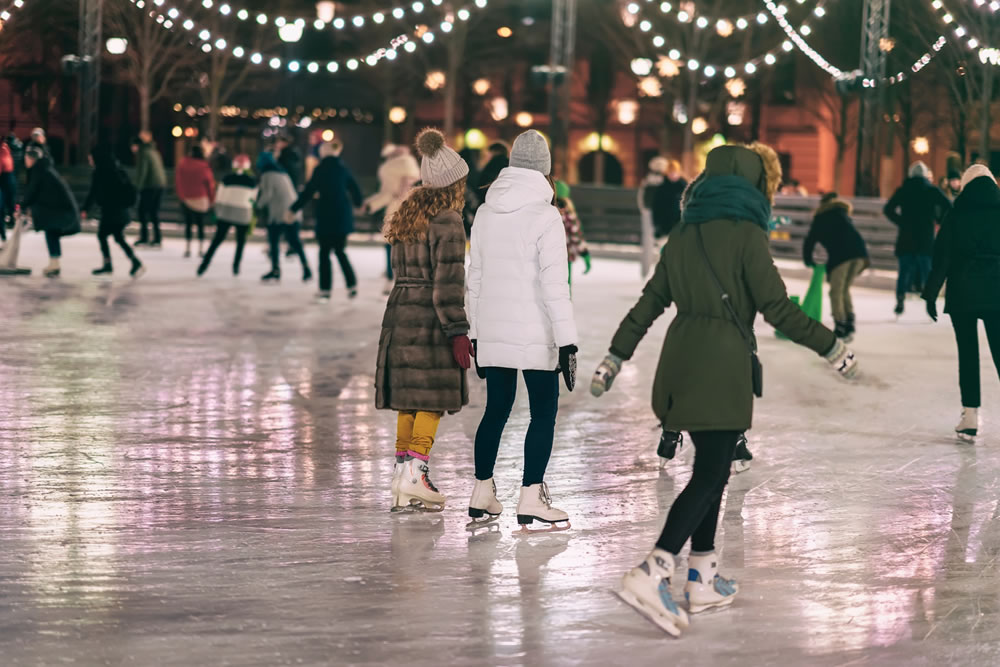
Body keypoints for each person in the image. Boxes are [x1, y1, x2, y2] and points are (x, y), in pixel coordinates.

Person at [590, 143, 859, 637]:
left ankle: (702, 576)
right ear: (753, 185)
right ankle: (653, 570)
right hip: (722, 367)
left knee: (711, 467)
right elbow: (778, 308)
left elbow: (649, 303)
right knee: (711, 474)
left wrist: (615, 355)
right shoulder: (747, 235)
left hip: (680, 365)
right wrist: (831, 346)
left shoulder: (683, 233)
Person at [466, 130, 579, 530]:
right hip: (537, 334)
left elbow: (473, 279)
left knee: (495, 409)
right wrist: (567, 342)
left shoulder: (484, 212)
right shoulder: (546, 215)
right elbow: (555, 285)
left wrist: (476, 335)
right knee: (543, 413)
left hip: (494, 330)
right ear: (546, 171)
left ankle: (482, 491)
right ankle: (531, 496)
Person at [376, 128, 472, 512]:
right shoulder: (448, 221)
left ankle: (402, 476)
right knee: (431, 399)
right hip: (430, 318)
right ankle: (416, 473)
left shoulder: (408, 213)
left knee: (408, 401)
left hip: (401, 313)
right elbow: (448, 284)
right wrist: (457, 330)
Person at [923, 164, 1000, 443]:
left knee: (968, 354)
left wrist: (931, 293)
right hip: (997, 293)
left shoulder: (956, 214)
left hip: (963, 293)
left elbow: (941, 256)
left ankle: (969, 417)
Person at [290, 140, 362, 301]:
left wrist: (294, 209)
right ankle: (352, 285)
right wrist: (358, 203)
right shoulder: (343, 169)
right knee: (340, 251)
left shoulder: (320, 170)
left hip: (325, 216)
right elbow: (355, 188)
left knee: (324, 254)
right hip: (342, 216)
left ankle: (325, 289)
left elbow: (308, 191)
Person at [884, 161, 951, 316]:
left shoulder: (903, 190)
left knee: (904, 271)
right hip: (925, 237)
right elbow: (948, 205)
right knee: (927, 271)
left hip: (906, 237)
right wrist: (938, 219)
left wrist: (901, 221)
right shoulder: (932, 190)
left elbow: (888, 209)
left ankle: (900, 299)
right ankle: (929, 303)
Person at [803, 192, 870, 340]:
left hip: (842, 257)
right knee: (844, 289)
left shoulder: (821, 217)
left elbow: (810, 240)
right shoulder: (842, 213)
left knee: (836, 292)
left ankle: (841, 326)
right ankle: (849, 322)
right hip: (860, 255)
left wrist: (808, 260)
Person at [364, 144, 421, 295]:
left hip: (404, 211)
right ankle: (395, 279)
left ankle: (395, 280)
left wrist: (371, 205)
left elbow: (406, 181)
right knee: (397, 246)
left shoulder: (401, 166)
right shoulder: (397, 168)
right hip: (399, 210)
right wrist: (372, 204)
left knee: (397, 246)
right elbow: (387, 193)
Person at [81, 145, 144, 278]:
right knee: (118, 238)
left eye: (91, 157)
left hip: (111, 212)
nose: (89, 160)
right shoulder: (117, 168)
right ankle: (134, 261)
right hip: (121, 211)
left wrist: (85, 209)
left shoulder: (100, 172)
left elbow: (92, 193)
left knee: (103, 236)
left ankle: (109, 264)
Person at [21, 145, 80, 277]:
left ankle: (54, 264)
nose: (25, 161)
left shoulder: (39, 171)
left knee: (51, 232)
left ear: (31, 159)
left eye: (26, 158)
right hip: (58, 209)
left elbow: (32, 191)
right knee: (51, 232)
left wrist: (23, 206)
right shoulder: (44, 169)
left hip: (59, 210)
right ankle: (54, 263)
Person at [257, 150, 311, 282]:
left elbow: (267, 195)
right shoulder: (282, 172)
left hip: (279, 214)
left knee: (274, 241)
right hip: (293, 211)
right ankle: (306, 268)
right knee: (294, 241)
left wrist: (256, 205)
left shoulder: (267, 174)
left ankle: (275, 269)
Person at [198, 154, 257, 277]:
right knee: (240, 242)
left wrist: (218, 211)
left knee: (217, 240)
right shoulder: (252, 181)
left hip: (226, 212)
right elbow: (254, 199)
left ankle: (204, 264)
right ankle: (236, 266)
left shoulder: (226, 179)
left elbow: (219, 197)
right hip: (243, 213)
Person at [175, 145, 216, 258]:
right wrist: (212, 199)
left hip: (187, 198)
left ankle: (188, 248)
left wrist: (181, 196)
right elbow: (210, 185)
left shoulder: (183, 163)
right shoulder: (204, 166)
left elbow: (178, 181)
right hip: (201, 198)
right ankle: (201, 249)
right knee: (200, 224)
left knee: (188, 224)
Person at [132, 132, 167, 247]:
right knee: (153, 212)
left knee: (142, 211)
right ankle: (157, 238)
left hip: (150, 186)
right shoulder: (153, 151)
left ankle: (145, 237)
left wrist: (137, 187)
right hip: (159, 185)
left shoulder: (143, 153)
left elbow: (143, 172)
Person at [555, 180, 591, 285]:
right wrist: (585, 254)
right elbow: (576, 237)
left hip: (548, 255)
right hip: (565, 256)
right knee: (564, 285)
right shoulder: (569, 214)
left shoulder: (547, 211)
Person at [652, 159, 687, 239]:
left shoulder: (684, 186)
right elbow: (656, 206)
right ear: (667, 173)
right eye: (671, 172)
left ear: (679, 172)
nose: (673, 175)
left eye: (675, 172)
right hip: (665, 225)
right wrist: (657, 224)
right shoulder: (662, 188)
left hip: (680, 224)